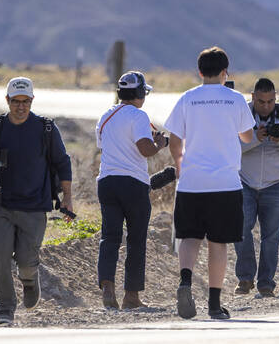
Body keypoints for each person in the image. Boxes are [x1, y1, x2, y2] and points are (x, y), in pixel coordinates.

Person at [0, 77, 74, 326]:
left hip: (34, 206)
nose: (20, 106)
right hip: (0, 205)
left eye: (25, 101)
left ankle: (29, 279)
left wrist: (68, 198)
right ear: (7, 100)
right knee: (0, 257)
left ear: (32, 100)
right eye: (16, 101)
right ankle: (5, 309)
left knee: (27, 261)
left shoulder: (46, 129)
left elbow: (62, 163)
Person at [165, 46, 256, 320]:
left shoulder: (187, 98)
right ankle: (214, 304)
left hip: (192, 181)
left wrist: (179, 164)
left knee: (189, 237)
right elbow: (248, 136)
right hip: (225, 182)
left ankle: (185, 281)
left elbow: (174, 139)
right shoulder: (235, 99)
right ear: (225, 71)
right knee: (219, 243)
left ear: (200, 71)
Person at [96, 71, 169, 309]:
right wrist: (160, 143)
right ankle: (131, 296)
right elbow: (145, 150)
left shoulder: (106, 116)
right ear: (139, 93)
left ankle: (107, 287)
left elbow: (105, 145)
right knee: (136, 240)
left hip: (107, 182)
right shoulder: (139, 116)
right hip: (133, 183)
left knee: (109, 237)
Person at [234, 77, 279, 299]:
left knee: (271, 236)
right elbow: (230, 147)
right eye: (261, 102)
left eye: (270, 101)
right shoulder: (241, 115)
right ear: (252, 97)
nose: (266, 106)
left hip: (275, 184)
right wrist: (255, 138)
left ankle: (266, 284)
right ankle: (245, 278)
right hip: (244, 181)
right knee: (240, 229)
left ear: (276, 98)